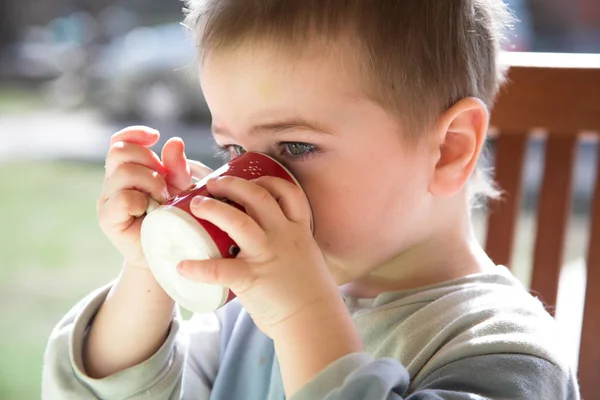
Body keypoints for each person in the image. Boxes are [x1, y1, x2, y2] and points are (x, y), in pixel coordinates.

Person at [42, 1, 580, 399]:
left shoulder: (510, 356)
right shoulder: (249, 317)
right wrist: (150, 274)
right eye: (232, 148)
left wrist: (303, 315)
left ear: (447, 149)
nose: (250, 185)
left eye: (295, 147)